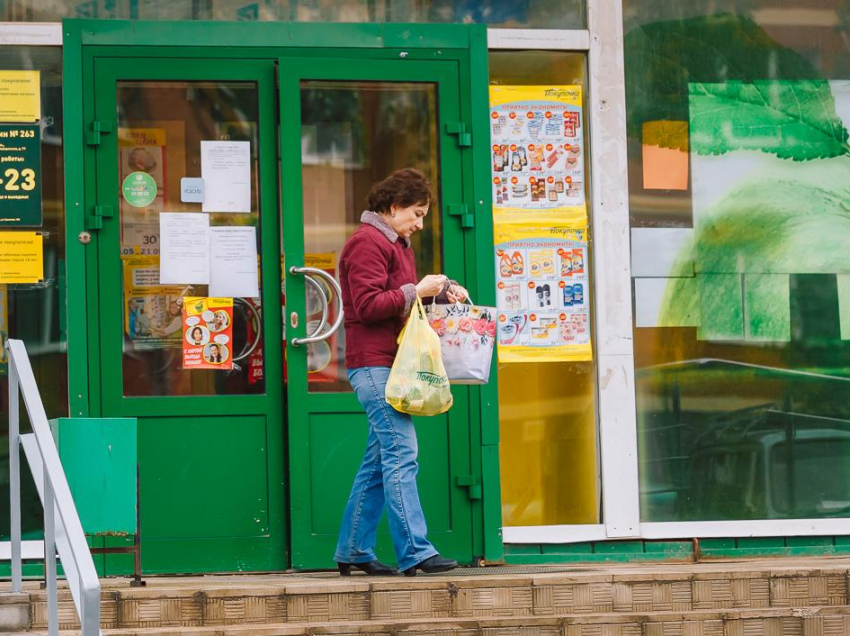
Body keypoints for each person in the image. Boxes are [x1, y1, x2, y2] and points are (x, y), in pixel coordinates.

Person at [334, 168, 467, 578]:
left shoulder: (394, 242)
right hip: (373, 363)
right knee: (401, 454)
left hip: (388, 363)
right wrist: (418, 290)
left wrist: (441, 291)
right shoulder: (366, 243)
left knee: (379, 461)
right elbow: (370, 305)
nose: (420, 223)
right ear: (393, 208)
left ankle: (354, 550)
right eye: (417, 213)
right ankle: (416, 551)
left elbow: (400, 300)